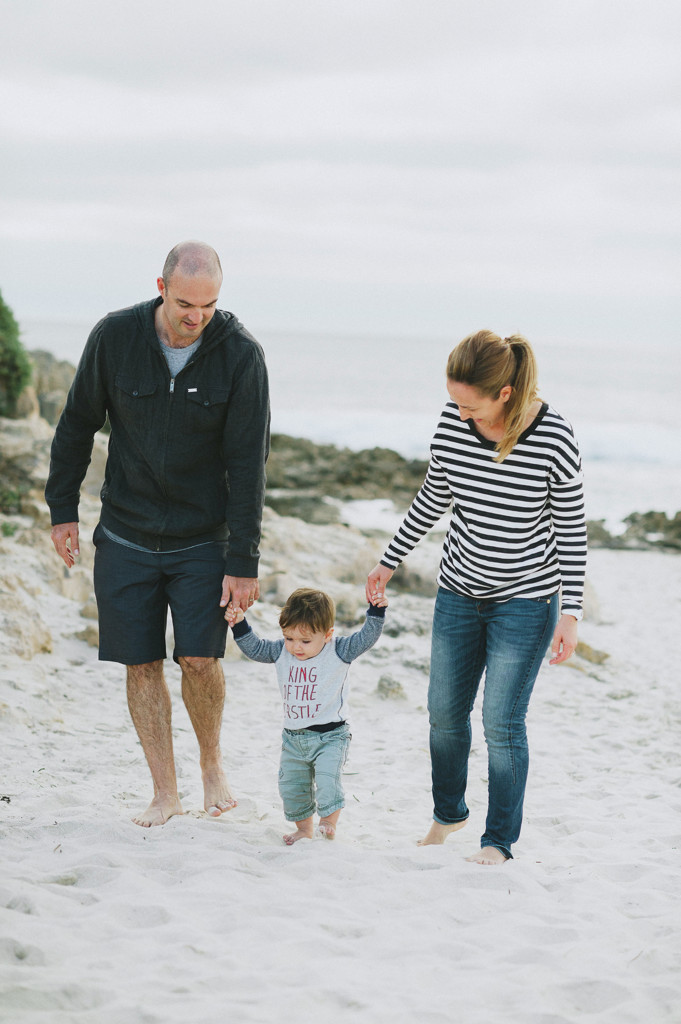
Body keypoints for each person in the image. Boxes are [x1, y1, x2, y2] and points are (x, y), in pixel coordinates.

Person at [46, 241, 270, 828]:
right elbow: (77, 423)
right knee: (140, 664)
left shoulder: (241, 354)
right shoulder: (115, 337)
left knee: (199, 658)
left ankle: (212, 764)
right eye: (186, 304)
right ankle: (164, 791)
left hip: (204, 538)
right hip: (126, 532)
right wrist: (62, 509)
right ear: (161, 287)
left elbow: (249, 464)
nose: (198, 317)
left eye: (210, 305)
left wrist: (243, 560)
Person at [366, 330, 586, 865]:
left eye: (470, 406)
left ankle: (497, 842)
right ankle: (449, 814)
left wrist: (572, 612)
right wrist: (389, 560)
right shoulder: (453, 421)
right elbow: (434, 495)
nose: (460, 414)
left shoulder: (554, 437)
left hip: (527, 601)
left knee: (501, 723)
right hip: (459, 591)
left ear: (504, 393)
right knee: (444, 713)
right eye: (454, 402)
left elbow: (572, 529)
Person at [226, 588, 387, 845]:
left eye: (305, 641)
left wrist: (376, 611)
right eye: (289, 638)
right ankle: (303, 829)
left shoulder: (339, 650)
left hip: (331, 737)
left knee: (328, 782)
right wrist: (239, 624)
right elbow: (255, 649)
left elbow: (366, 637)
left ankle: (328, 822)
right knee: (292, 787)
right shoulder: (281, 651)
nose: (295, 647)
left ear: (327, 635)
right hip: (293, 739)